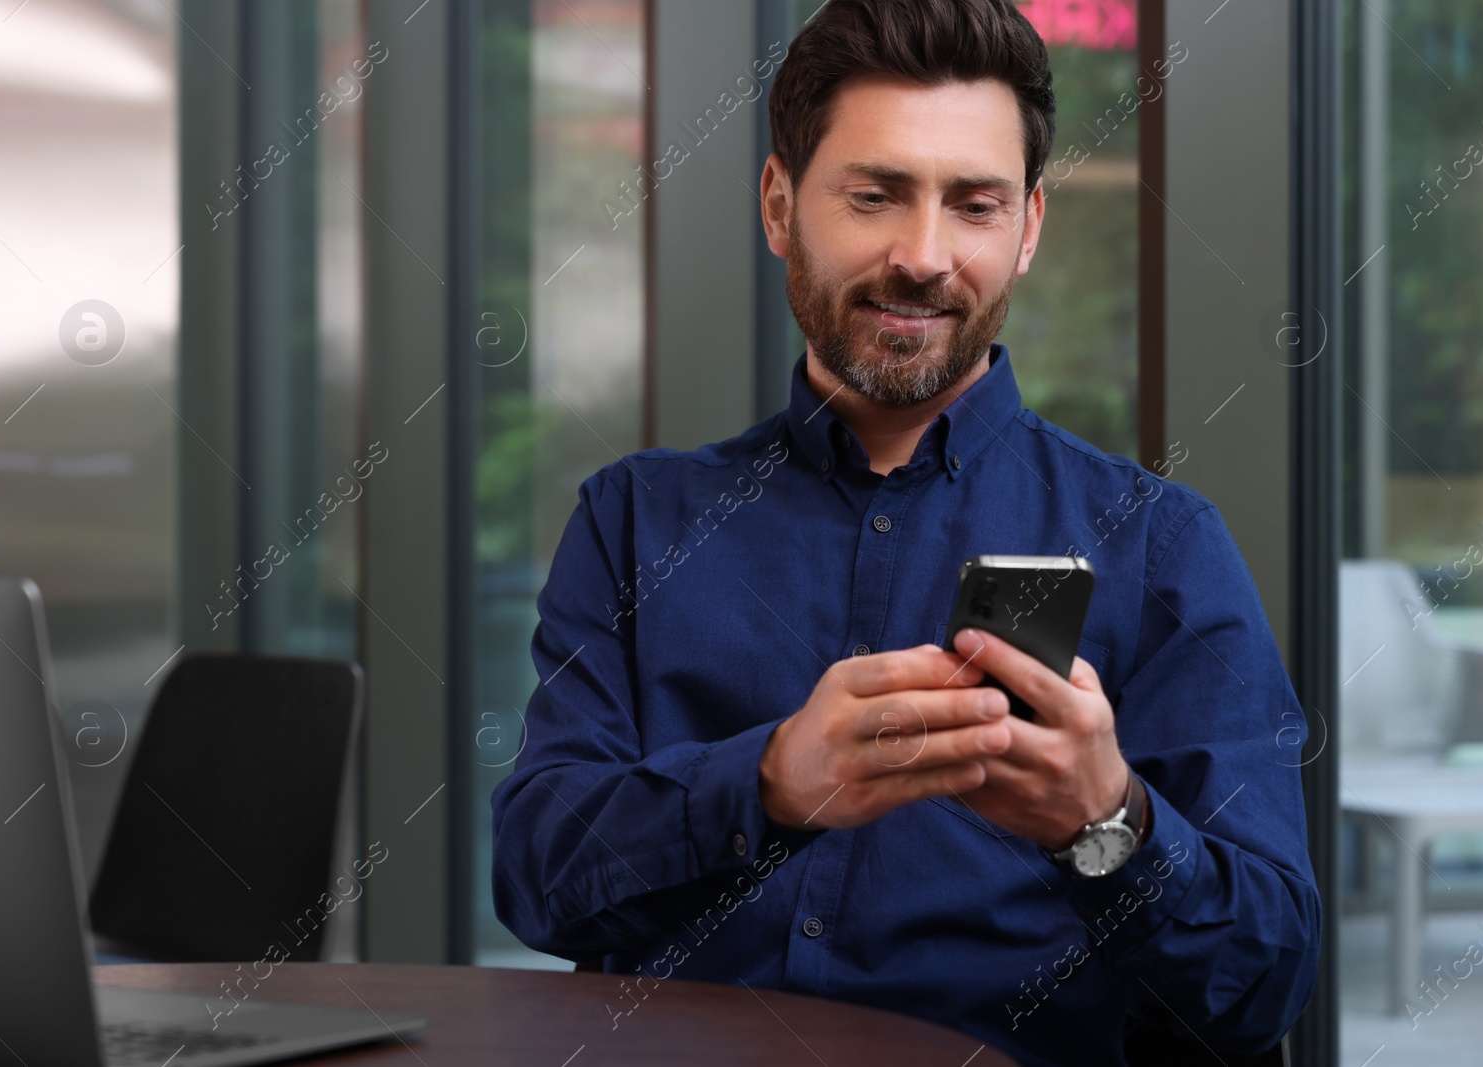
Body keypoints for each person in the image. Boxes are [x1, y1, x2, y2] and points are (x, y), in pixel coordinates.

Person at [491, 2, 1320, 1063]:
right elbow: (536, 880)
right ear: (780, 204)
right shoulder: (633, 518)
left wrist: (1105, 821)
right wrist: (770, 782)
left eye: (973, 205)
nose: (922, 256)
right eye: (874, 196)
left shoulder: (1159, 545)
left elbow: (1265, 983)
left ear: (1026, 229)